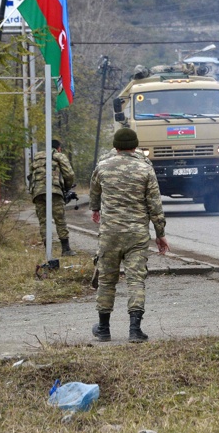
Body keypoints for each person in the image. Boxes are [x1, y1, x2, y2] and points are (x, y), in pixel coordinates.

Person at [89, 127, 168, 343]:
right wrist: (160, 234)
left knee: (106, 280)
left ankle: (103, 329)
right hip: (136, 234)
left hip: (110, 234)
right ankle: (135, 330)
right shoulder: (145, 169)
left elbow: (94, 191)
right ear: (135, 146)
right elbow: (155, 204)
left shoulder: (102, 166)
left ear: (115, 146)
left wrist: (95, 209)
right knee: (136, 281)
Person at [29, 139, 76, 257]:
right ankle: (66, 249)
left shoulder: (37, 157)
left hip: (38, 192)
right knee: (60, 219)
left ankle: (47, 250)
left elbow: (30, 175)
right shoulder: (58, 155)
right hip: (54, 191)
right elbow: (69, 174)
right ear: (58, 148)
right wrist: (66, 187)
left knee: (43, 221)